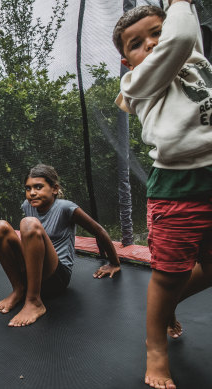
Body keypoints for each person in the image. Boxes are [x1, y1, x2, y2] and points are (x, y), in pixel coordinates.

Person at [113, 1, 212, 388]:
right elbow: (183, 33)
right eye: (137, 43)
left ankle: (168, 307)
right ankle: (155, 348)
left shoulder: (193, 58)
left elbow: (187, 38)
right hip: (177, 188)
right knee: (170, 274)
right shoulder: (136, 82)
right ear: (127, 62)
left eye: (158, 33)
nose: (152, 44)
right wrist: (178, 5)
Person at [0, 164, 121, 328]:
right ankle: (18, 289)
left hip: (56, 277)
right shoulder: (27, 205)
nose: (32, 193)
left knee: (29, 223)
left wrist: (114, 263)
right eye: (28, 188)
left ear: (54, 189)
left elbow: (99, 231)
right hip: (32, 273)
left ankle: (34, 301)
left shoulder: (66, 208)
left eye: (38, 187)